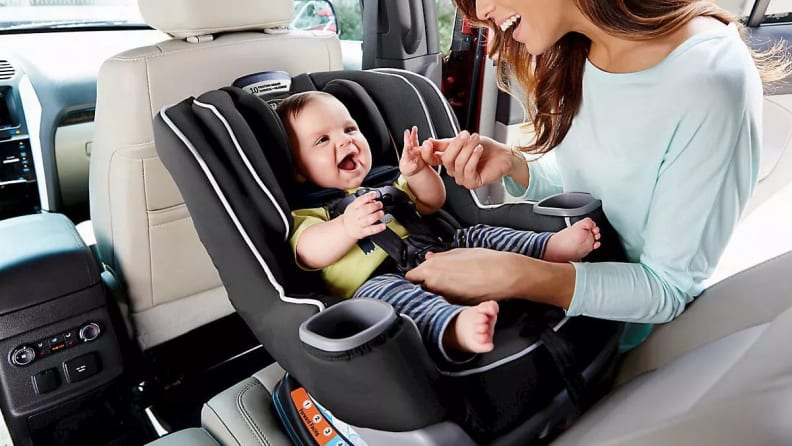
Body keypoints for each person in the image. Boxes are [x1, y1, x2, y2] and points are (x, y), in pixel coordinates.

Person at [405, 0, 786, 349]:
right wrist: (514, 164)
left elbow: (667, 288)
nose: (485, 11)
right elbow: (593, 183)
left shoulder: (710, 78)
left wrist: (514, 274)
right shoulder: (577, 46)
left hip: (616, 344)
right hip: (563, 309)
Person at [277, 91, 602, 361]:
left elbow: (432, 200)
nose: (345, 141)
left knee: (475, 236)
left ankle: (547, 247)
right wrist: (346, 228)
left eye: (349, 129)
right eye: (322, 140)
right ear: (298, 170)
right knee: (390, 301)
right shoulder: (310, 213)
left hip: (441, 249)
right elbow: (309, 252)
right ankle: (455, 327)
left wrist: (416, 172)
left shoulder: (386, 185)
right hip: (377, 280)